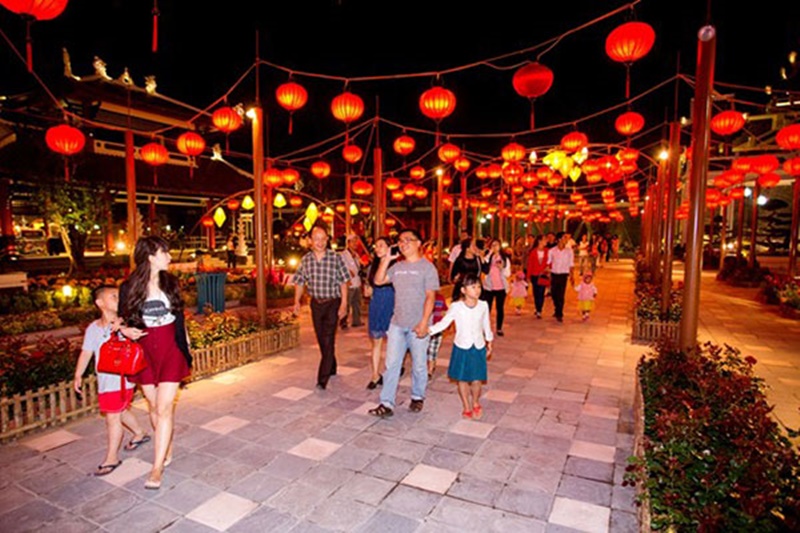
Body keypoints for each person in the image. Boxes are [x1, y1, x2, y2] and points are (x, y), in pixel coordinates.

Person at [119, 235, 192, 490]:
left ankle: (156, 468)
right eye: (165, 252)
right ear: (151, 256)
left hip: (170, 348)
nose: (169, 257)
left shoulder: (170, 283)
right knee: (153, 405)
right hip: (145, 350)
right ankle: (166, 443)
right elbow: (122, 319)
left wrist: (187, 348)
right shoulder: (129, 287)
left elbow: (180, 317)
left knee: (163, 408)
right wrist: (127, 331)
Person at [73, 285, 150, 477]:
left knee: (112, 417)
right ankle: (140, 433)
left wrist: (123, 328)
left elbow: (140, 334)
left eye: (118, 295)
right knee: (119, 410)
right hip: (105, 380)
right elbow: (86, 352)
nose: (118, 298)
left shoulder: (127, 322)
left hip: (122, 380)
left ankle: (111, 458)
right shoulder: (93, 328)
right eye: (113, 296)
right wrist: (77, 375)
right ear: (100, 303)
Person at [368, 228, 439, 418]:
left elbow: (430, 297)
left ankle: (417, 396)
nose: (403, 243)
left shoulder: (427, 268)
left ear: (418, 244)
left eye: (409, 239)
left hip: (418, 325)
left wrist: (424, 322)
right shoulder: (396, 267)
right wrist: (387, 260)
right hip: (397, 324)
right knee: (391, 364)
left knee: (419, 365)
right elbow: (379, 280)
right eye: (400, 240)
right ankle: (386, 403)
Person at [427, 272, 493, 420]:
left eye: (478, 286)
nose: (477, 290)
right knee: (462, 379)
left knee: (477, 379)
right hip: (462, 347)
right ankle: (466, 406)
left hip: (478, 346)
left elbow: (486, 325)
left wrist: (489, 342)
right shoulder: (456, 307)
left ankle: (475, 402)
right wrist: (428, 330)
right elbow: (444, 323)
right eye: (473, 287)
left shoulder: (483, 305)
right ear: (463, 290)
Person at [292, 225, 351, 391]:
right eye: (316, 239)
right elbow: (299, 282)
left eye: (323, 238)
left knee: (328, 337)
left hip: (333, 302)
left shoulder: (335, 258)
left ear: (327, 240)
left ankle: (322, 379)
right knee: (321, 339)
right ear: (310, 241)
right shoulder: (306, 260)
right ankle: (331, 365)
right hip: (316, 304)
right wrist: (296, 301)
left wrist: (344, 304)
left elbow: (343, 282)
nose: (320, 242)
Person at [365, 236, 395, 389]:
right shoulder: (373, 266)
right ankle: (375, 374)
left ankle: (391, 373)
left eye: (381, 245)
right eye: (376, 246)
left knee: (393, 343)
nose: (378, 248)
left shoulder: (396, 266)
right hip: (377, 304)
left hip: (392, 304)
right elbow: (369, 286)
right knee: (376, 342)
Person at [481, 239, 511, 336]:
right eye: (493, 245)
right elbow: (484, 267)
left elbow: (508, 273)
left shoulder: (504, 258)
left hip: (501, 287)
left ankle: (499, 327)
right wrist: (489, 254)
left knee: (500, 308)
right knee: (487, 308)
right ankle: (485, 328)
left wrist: (502, 268)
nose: (495, 247)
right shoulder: (489, 257)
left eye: (497, 245)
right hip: (489, 287)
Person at [547, 232, 575, 323]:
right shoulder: (552, 251)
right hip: (554, 274)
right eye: (564, 238)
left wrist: (572, 276)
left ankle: (559, 313)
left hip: (563, 274)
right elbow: (548, 263)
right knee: (554, 293)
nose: (566, 240)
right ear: (559, 239)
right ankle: (556, 308)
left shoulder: (569, 251)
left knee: (561, 294)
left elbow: (571, 264)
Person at [340, 234, 364, 329]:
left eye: (356, 241)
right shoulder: (343, 255)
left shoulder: (356, 255)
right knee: (347, 303)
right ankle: (343, 321)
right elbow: (342, 268)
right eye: (353, 241)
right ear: (348, 243)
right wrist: (347, 278)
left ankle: (356, 321)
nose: (355, 244)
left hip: (357, 282)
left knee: (357, 303)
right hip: (348, 283)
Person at [526, 235, 550, 319]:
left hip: (543, 274)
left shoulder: (547, 251)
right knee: (536, 292)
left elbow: (550, 262)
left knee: (541, 292)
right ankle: (537, 307)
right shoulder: (533, 251)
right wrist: (528, 276)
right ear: (539, 241)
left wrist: (548, 268)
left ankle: (539, 309)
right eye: (544, 240)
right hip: (534, 274)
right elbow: (530, 264)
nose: (546, 241)